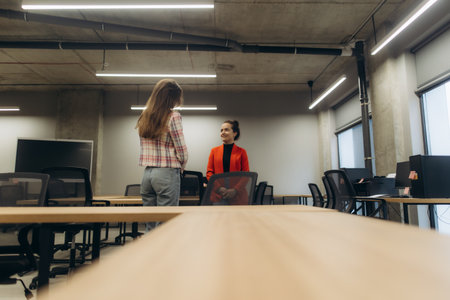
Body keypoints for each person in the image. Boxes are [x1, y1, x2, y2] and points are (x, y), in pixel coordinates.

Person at [136, 79, 188, 230]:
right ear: (173, 97)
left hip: (148, 174)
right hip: (166, 172)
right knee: (166, 223)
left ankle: (149, 253)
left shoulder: (144, 116)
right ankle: (164, 254)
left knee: (150, 224)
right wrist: (182, 165)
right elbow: (181, 149)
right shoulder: (173, 116)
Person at [206, 120, 249, 204]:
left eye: (226, 130)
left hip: (237, 195)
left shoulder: (241, 152)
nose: (223, 132)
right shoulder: (214, 151)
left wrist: (235, 190)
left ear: (234, 133)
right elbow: (209, 173)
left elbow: (246, 175)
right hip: (218, 195)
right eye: (221, 130)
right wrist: (219, 188)